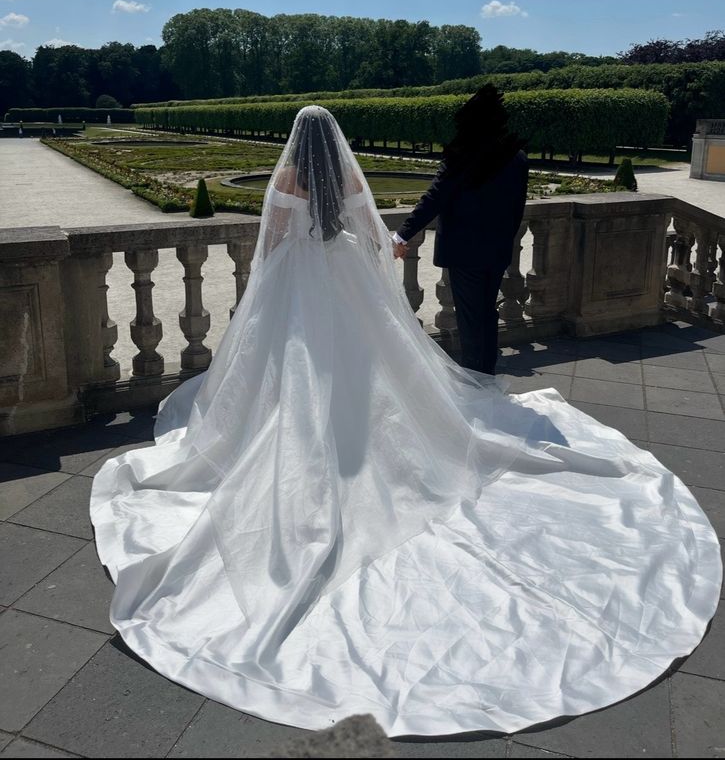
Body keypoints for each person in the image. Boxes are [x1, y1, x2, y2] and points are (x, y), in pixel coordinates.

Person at [90, 104, 721, 740]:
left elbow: (272, 244)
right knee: (367, 374)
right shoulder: (348, 182)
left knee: (294, 379)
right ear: (333, 144)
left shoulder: (283, 185)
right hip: (342, 278)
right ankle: (360, 445)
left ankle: (300, 447)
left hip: (298, 284)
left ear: (294, 144)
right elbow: (373, 237)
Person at [392, 83, 528, 374]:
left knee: (470, 321)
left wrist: (401, 233)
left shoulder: (463, 156)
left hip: (465, 253)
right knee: (487, 316)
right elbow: (517, 210)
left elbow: (434, 199)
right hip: (498, 250)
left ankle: (476, 383)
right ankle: (486, 377)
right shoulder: (516, 158)